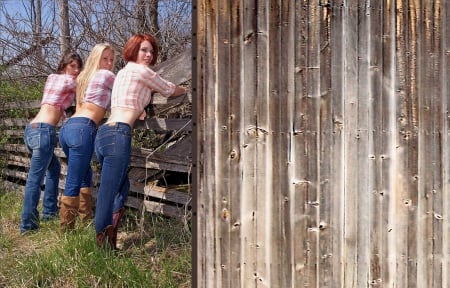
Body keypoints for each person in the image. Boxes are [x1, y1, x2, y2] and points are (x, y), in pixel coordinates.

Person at [94, 34, 188, 249]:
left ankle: (112, 234)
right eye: (143, 50)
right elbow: (169, 89)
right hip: (118, 135)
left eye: (151, 51)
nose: (149, 55)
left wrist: (142, 107)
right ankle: (103, 251)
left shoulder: (123, 73)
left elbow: (132, 98)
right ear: (133, 49)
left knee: (121, 188)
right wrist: (186, 90)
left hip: (104, 135)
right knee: (108, 196)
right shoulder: (142, 71)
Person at [20, 51, 83, 235]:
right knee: (34, 180)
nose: (76, 70)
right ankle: (28, 226)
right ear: (64, 65)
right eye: (73, 66)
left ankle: (49, 212)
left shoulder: (54, 80)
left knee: (54, 169)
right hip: (43, 132)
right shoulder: (65, 80)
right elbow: (81, 84)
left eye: (79, 67)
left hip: (31, 130)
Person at [58, 43, 116, 231]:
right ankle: (66, 231)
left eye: (111, 59)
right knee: (74, 180)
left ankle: (86, 220)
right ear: (95, 59)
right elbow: (125, 87)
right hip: (83, 129)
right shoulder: (107, 75)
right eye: (104, 58)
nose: (109, 63)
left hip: (68, 129)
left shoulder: (83, 77)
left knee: (84, 175)